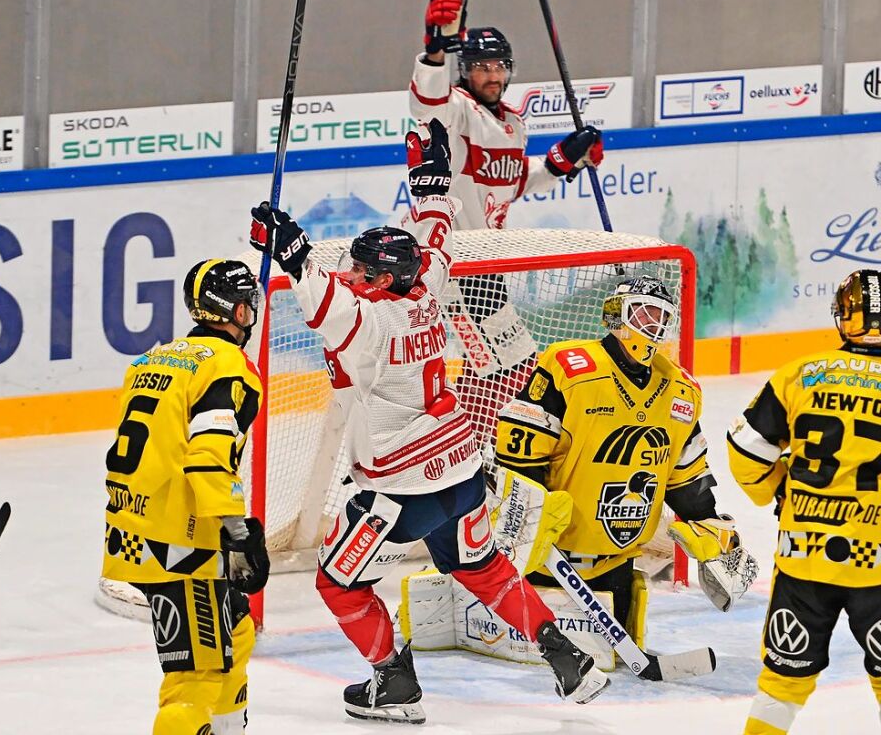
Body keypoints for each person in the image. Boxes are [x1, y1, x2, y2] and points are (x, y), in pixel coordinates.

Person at [249, 119, 608, 725]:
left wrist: (286, 244)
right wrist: (432, 178)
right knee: (484, 569)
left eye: (362, 272)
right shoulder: (428, 286)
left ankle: (393, 684)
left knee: (337, 584)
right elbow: (435, 235)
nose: (352, 277)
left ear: (383, 281)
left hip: (400, 490)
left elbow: (316, 293)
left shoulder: (370, 323)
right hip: (463, 470)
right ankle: (567, 658)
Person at [491, 276, 758, 645]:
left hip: (617, 558)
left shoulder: (682, 390)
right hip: (548, 557)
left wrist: (707, 519)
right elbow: (520, 448)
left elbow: (685, 471)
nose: (653, 325)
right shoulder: (569, 366)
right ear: (616, 316)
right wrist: (529, 517)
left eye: (662, 317)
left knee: (610, 659)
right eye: (643, 313)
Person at [412, 0, 607, 453]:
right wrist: (434, 52)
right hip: (449, 262)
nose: (491, 74)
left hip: (487, 262)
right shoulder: (455, 109)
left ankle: (465, 446)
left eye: (499, 65)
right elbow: (426, 100)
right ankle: (464, 448)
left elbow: (512, 183)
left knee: (503, 368)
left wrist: (563, 160)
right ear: (465, 69)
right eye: (480, 65)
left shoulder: (512, 123)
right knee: (512, 366)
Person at [101, 258, 270, 735]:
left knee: (235, 633)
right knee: (193, 676)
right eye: (247, 304)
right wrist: (235, 530)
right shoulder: (226, 366)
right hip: (183, 540)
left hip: (135, 527)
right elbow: (207, 455)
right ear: (235, 311)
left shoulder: (155, 358)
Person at [728, 269, 881, 735]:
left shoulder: (801, 373)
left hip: (803, 558)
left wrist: (780, 492)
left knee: (780, 687)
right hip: (876, 563)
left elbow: (746, 452)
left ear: (843, 318)